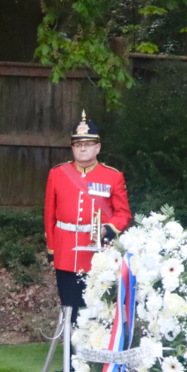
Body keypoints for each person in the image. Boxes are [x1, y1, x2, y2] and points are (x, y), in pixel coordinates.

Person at [44, 110, 132, 320]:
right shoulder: (57, 174)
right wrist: (51, 248)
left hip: (98, 253)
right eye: (78, 144)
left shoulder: (113, 176)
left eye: (88, 144)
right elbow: (49, 215)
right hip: (66, 250)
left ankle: (97, 351)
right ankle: (71, 352)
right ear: (72, 147)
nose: (82, 148)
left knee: (97, 308)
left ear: (98, 147)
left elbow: (123, 213)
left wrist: (109, 228)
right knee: (70, 308)